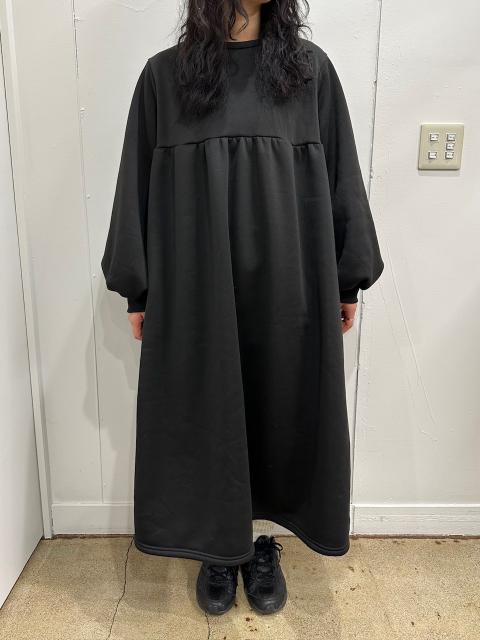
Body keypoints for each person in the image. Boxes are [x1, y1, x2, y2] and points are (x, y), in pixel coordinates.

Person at [101, 0, 384, 617]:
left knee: (278, 405)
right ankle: (218, 546)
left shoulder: (309, 71)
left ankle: (259, 544)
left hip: (290, 279)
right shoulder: (164, 77)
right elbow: (136, 184)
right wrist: (137, 288)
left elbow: (341, 173)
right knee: (207, 408)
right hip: (195, 281)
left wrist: (348, 278)